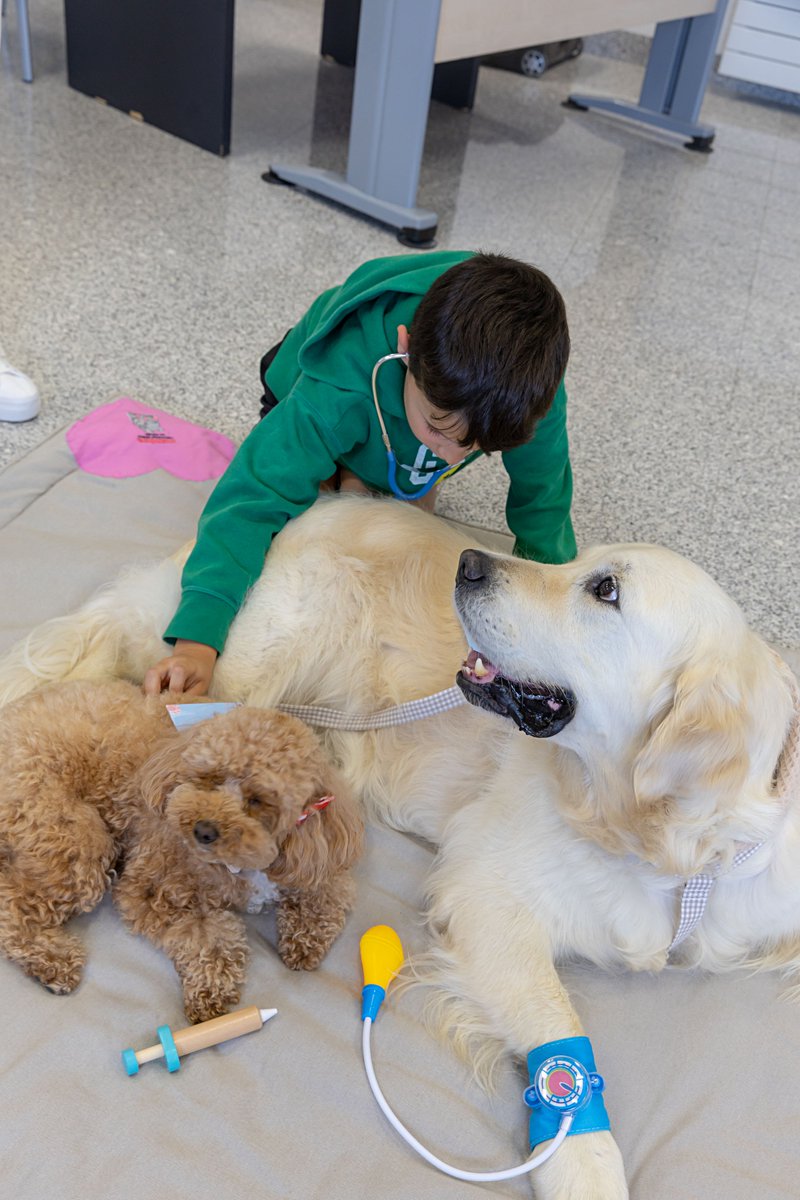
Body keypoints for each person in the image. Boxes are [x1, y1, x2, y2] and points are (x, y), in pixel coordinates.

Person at [144, 250, 576, 696]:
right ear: (405, 350)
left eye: (474, 448)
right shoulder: (340, 386)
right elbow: (253, 493)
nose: (451, 456)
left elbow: (543, 499)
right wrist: (197, 641)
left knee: (397, 511)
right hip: (300, 379)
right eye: (436, 427)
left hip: (411, 413)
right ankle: (348, 468)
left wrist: (552, 607)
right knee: (319, 514)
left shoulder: (527, 396)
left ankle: (375, 470)